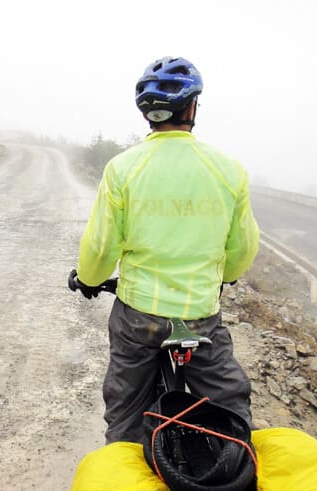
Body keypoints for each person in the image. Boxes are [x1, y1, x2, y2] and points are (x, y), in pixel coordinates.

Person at [74, 56, 260, 445]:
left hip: (139, 316)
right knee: (232, 412)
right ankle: (237, 477)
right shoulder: (228, 170)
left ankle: (126, 476)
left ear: (149, 115)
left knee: (125, 411)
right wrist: (225, 275)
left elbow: (101, 245)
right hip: (200, 316)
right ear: (192, 108)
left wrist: (89, 279)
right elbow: (242, 248)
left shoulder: (124, 169)